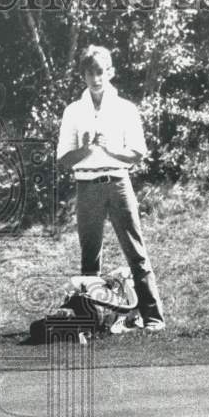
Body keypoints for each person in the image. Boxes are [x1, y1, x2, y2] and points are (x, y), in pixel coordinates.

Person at [57, 45, 165, 331]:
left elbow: (137, 154)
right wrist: (86, 147)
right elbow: (65, 159)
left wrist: (111, 149)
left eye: (100, 72)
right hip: (86, 185)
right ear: (83, 75)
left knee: (135, 251)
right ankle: (92, 319)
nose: (96, 78)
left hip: (118, 182)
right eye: (90, 73)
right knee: (89, 256)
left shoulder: (125, 109)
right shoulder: (73, 111)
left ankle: (153, 317)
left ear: (110, 73)